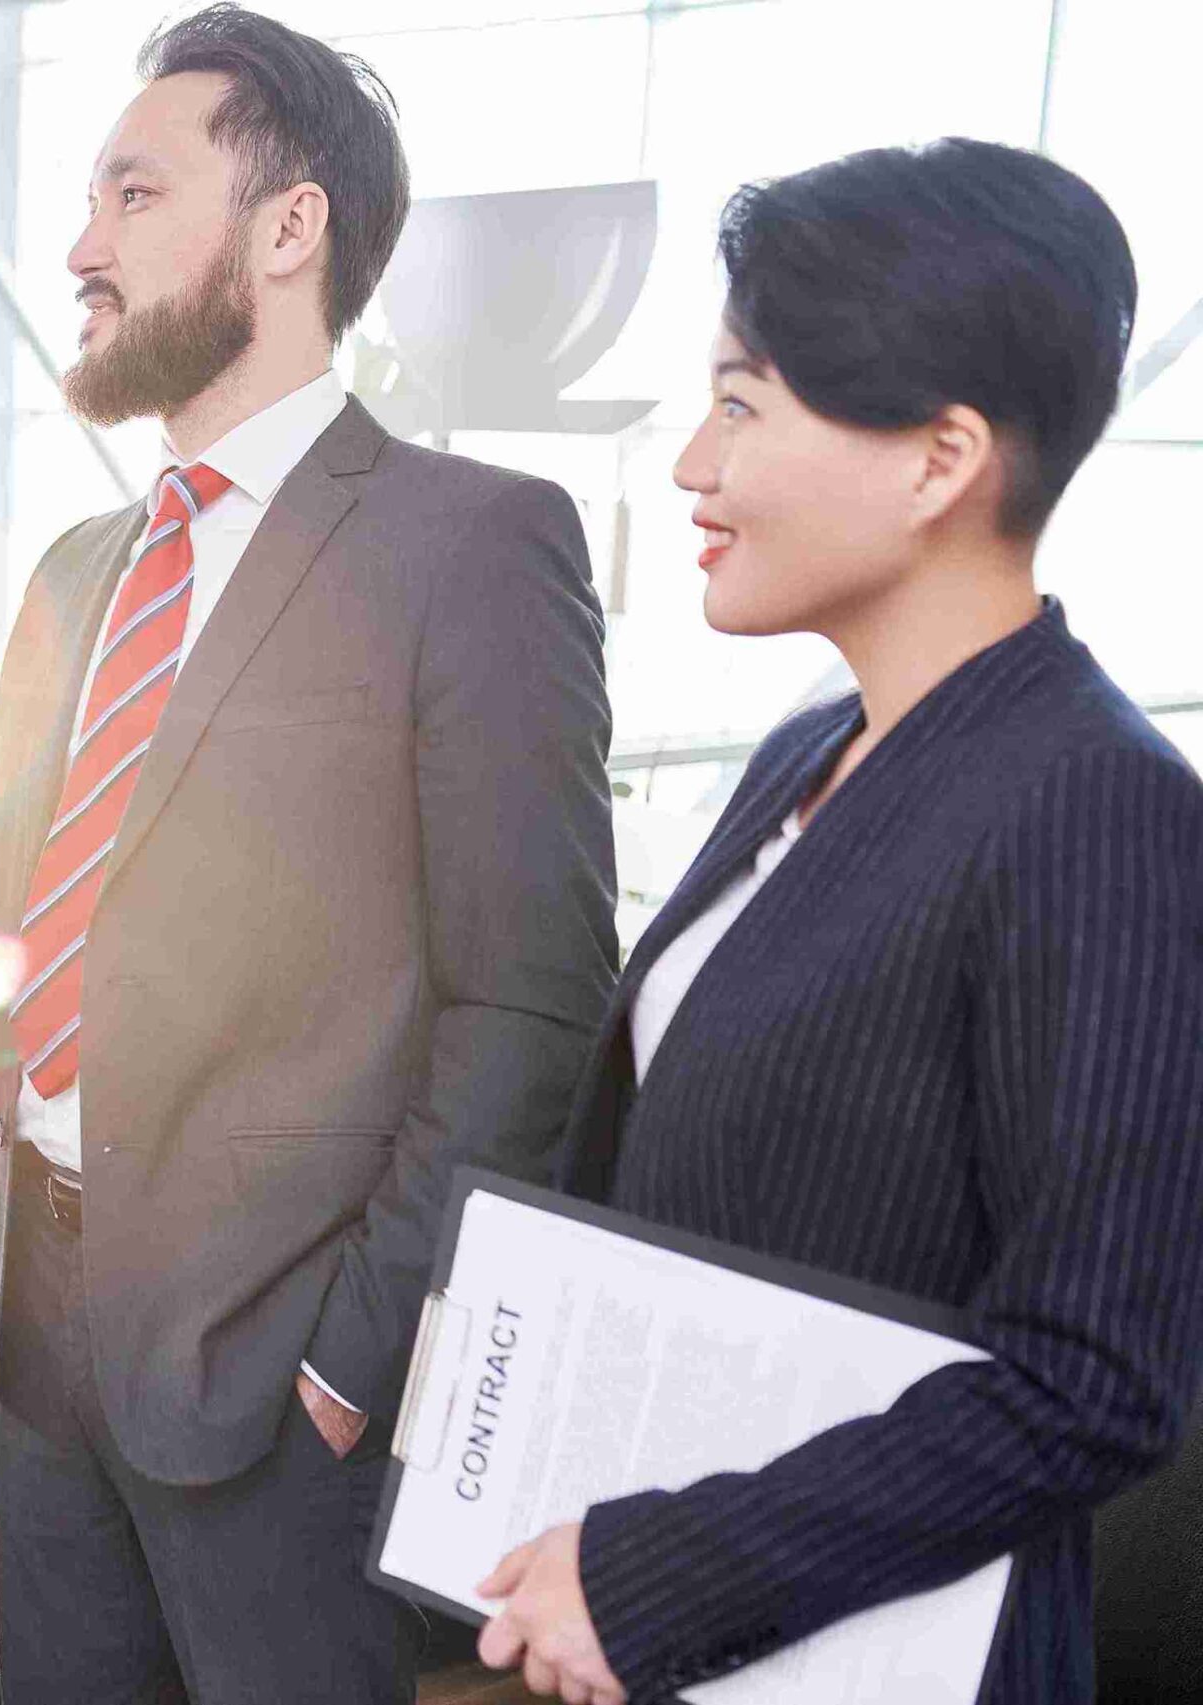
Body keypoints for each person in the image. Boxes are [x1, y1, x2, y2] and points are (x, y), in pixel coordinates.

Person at [0, 7, 618, 1697]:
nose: (82, 246)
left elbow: (529, 1002)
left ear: (287, 227)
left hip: (279, 1370)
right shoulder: (83, 567)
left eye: (133, 195)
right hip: (35, 1326)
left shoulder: (472, 546)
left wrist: (352, 1354)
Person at [476, 139, 1203, 1705]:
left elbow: (1096, 1379)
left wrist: (664, 1573)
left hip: (886, 1653)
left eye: (743, 403)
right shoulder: (812, 746)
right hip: (684, 1615)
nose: (692, 464)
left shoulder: (1101, 807)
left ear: (940, 459)